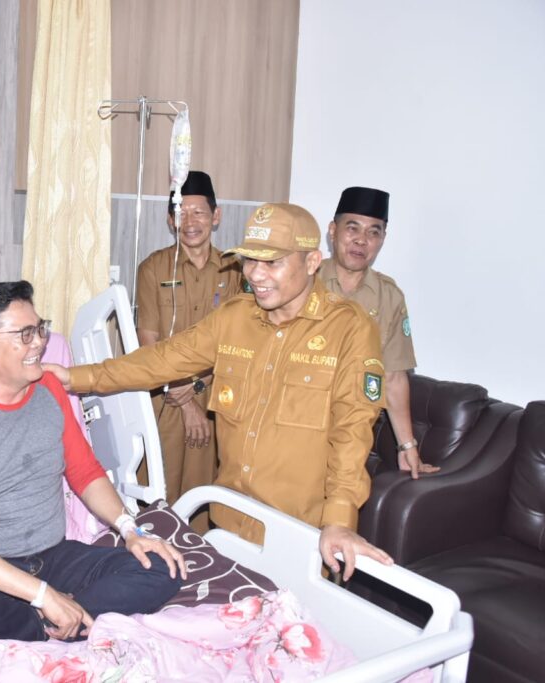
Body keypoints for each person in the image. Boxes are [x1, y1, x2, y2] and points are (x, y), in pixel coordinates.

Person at [47, 204, 394, 580]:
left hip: (299, 533)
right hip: (229, 523)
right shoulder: (234, 317)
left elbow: (351, 433)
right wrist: (75, 378)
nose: (255, 274)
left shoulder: (350, 329)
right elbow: (162, 360)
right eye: (250, 260)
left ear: (312, 262)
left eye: (272, 262)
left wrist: (339, 520)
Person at [0, 281, 184, 645]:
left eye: (40, 328)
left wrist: (130, 530)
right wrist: (43, 596)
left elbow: (85, 471)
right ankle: (55, 618)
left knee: (162, 565)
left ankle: (54, 621)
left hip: (53, 558)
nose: (39, 342)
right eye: (24, 334)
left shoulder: (49, 389)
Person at [135, 170, 242, 532]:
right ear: (170, 220)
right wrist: (185, 401)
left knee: (204, 496)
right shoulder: (153, 268)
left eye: (199, 212)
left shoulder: (236, 270)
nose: (190, 221)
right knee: (157, 492)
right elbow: (148, 340)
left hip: (216, 399)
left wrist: (197, 393)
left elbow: (238, 344)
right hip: (165, 397)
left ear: (216, 215)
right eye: (181, 213)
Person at [319, 187, 438, 478]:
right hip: (293, 425)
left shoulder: (389, 297)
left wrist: (407, 446)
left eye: (374, 232)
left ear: (382, 239)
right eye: (352, 228)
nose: (361, 240)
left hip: (351, 436)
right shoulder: (303, 281)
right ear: (333, 231)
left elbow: (393, 376)